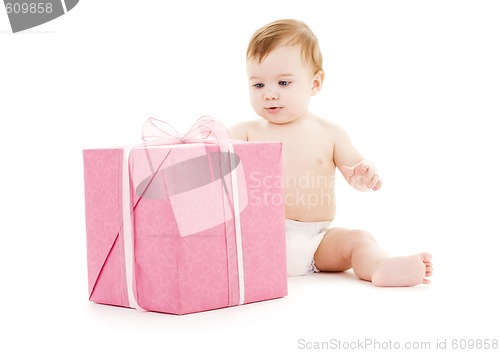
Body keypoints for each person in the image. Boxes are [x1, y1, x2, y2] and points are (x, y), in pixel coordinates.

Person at [229, 19, 432, 286]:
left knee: (358, 239)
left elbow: (354, 169)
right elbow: (212, 161)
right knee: (221, 240)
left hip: (317, 242)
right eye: (258, 85)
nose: (269, 94)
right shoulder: (244, 132)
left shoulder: (330, 133)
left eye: (283, 83)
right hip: (260, 238)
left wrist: (362, 174)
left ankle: (380, 266)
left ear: (315, 83)